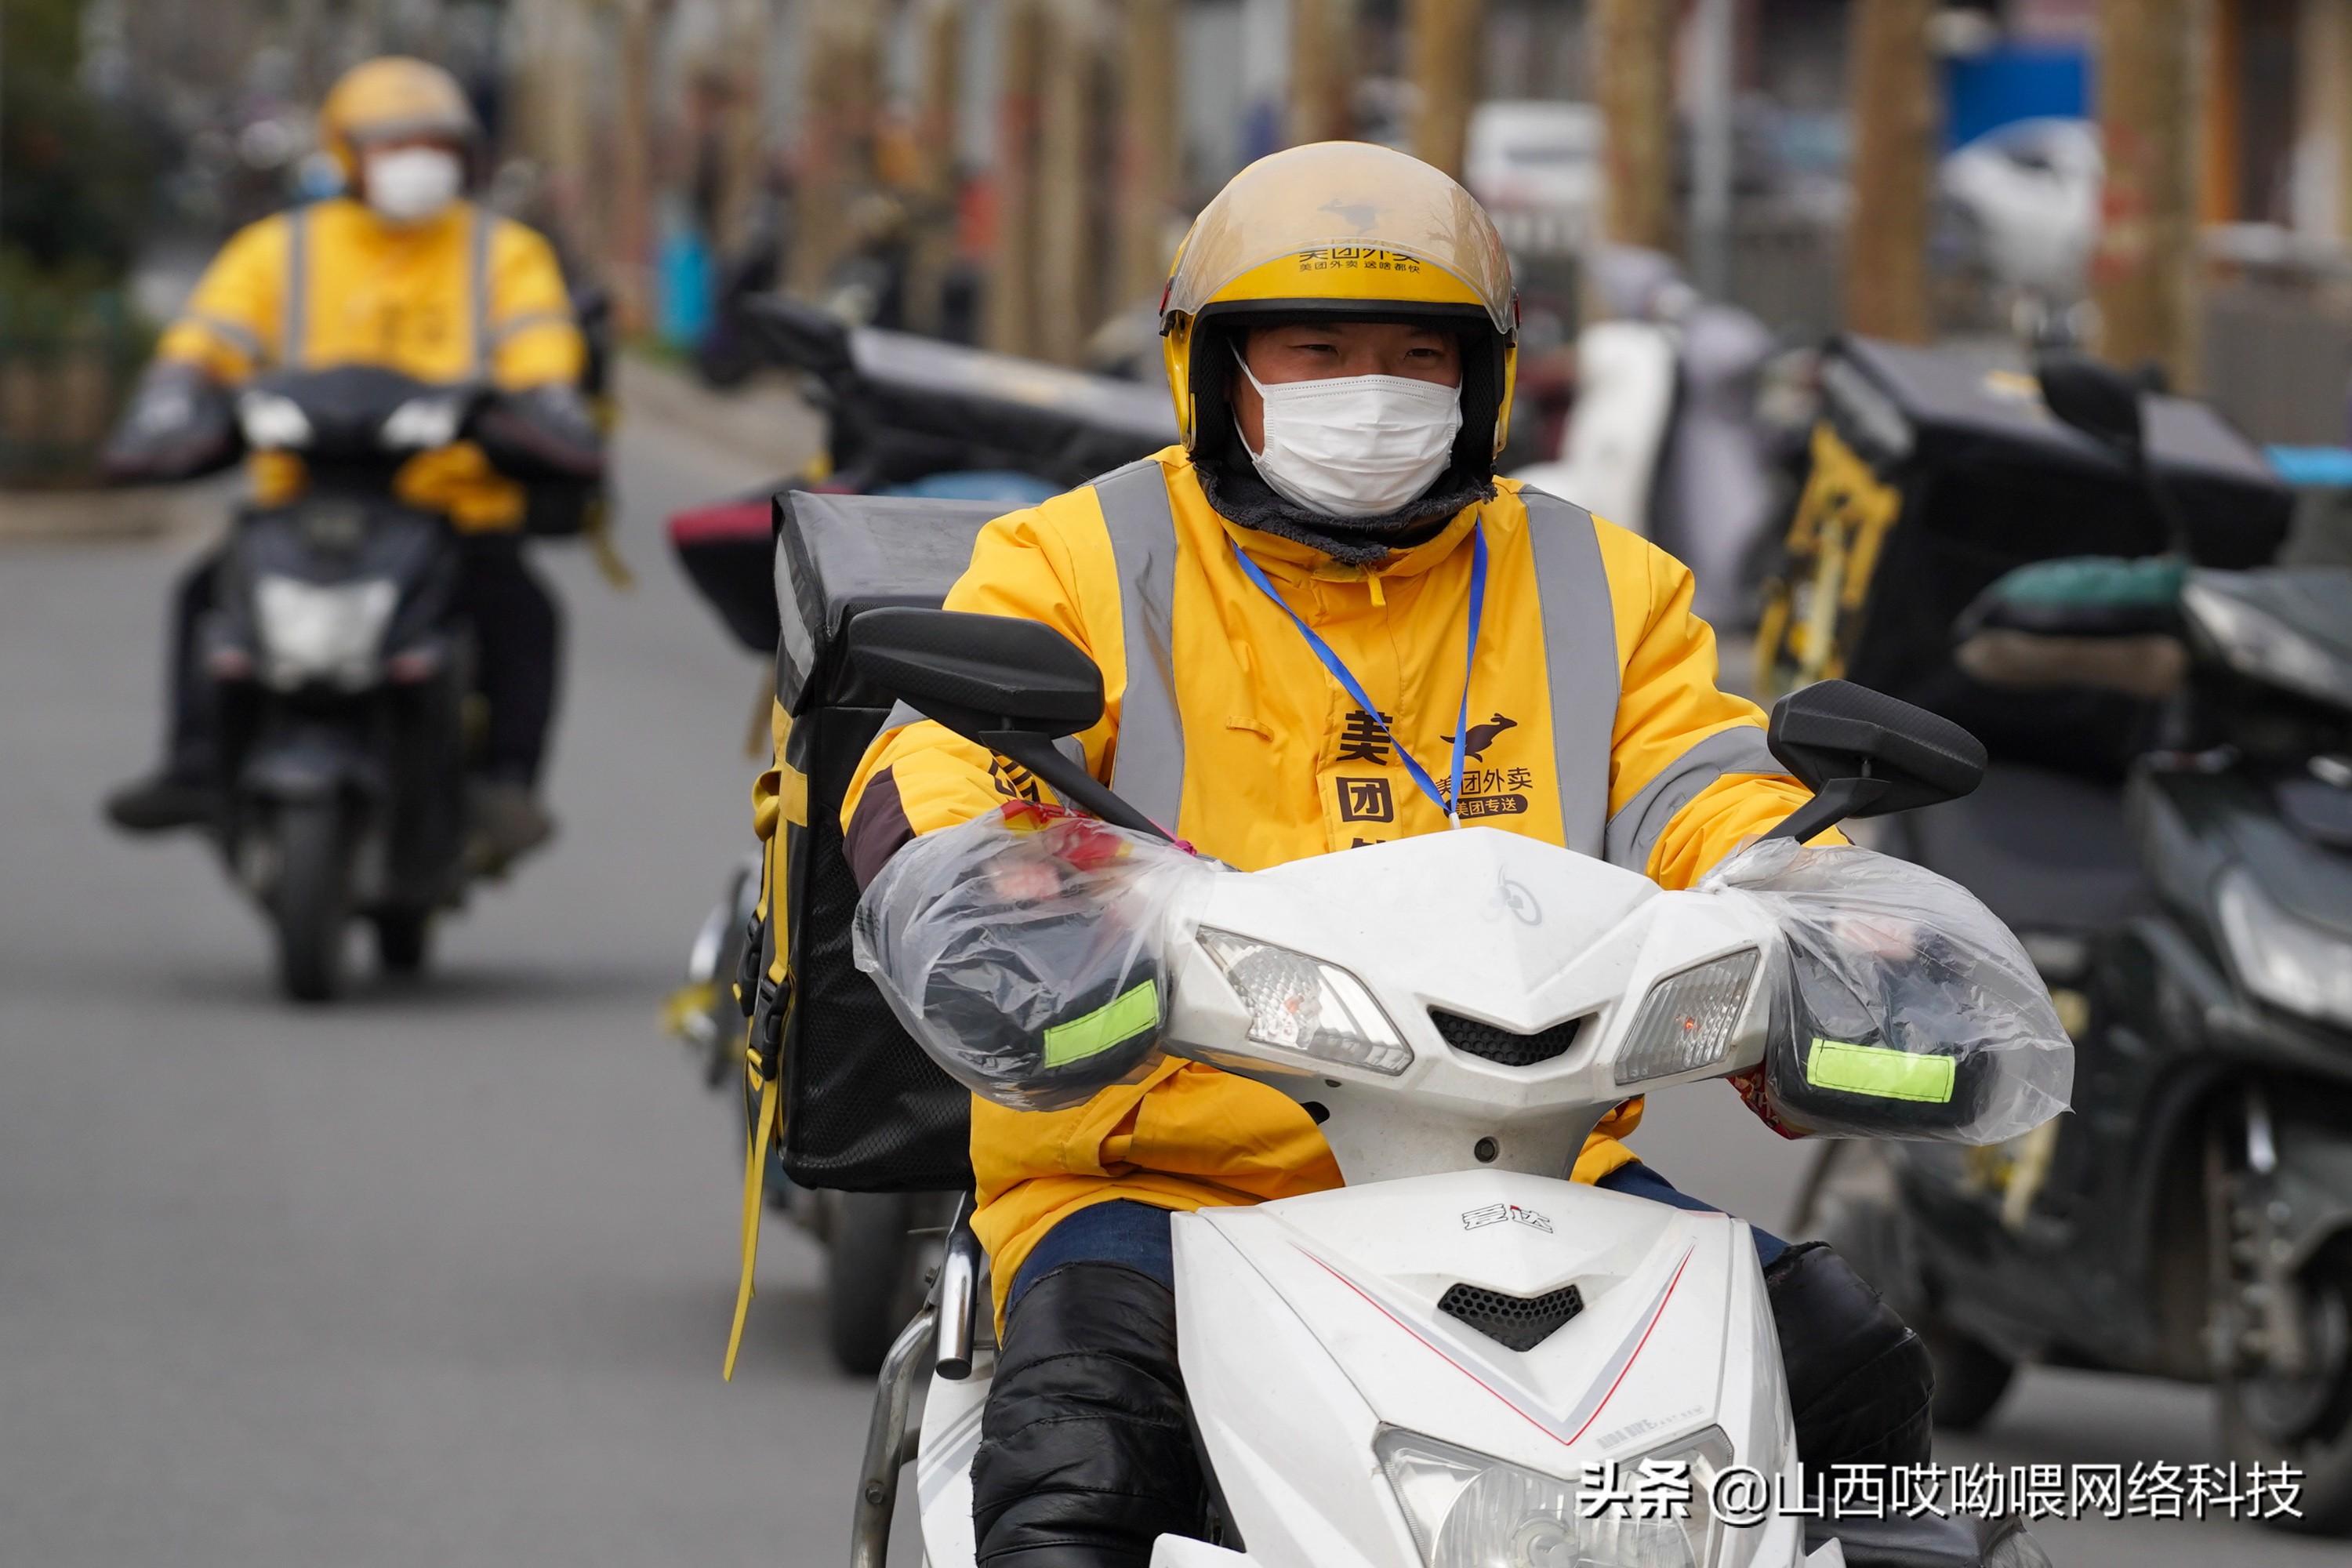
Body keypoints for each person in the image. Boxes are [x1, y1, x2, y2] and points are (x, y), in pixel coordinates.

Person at [811, 143, 1932, 1566]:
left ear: (1486, 380)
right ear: (1214, 369)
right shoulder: (1073, 557)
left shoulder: (1602, 582)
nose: (1372, 387)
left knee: (1842, 1364)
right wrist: (995, 868)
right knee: (1076, 1471)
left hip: (1537, 1177)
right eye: (1319, 348)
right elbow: (942, 755)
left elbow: (1701, 783)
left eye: (1417, 354)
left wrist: (1812, 895)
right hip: (1167, 1182)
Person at [103, 56, 597, 869]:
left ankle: (507, 784)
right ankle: (195, 766)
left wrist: (547, 407)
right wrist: (173, 396)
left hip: (454, 509)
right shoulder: (280, 250)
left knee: (524, 615)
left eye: (436, 143)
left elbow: (541, 351)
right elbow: (206, 338)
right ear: (345, 153)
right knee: (203, 598)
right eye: (395, 143)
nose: (419, 160)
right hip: (301, 498)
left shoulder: (504, 254)